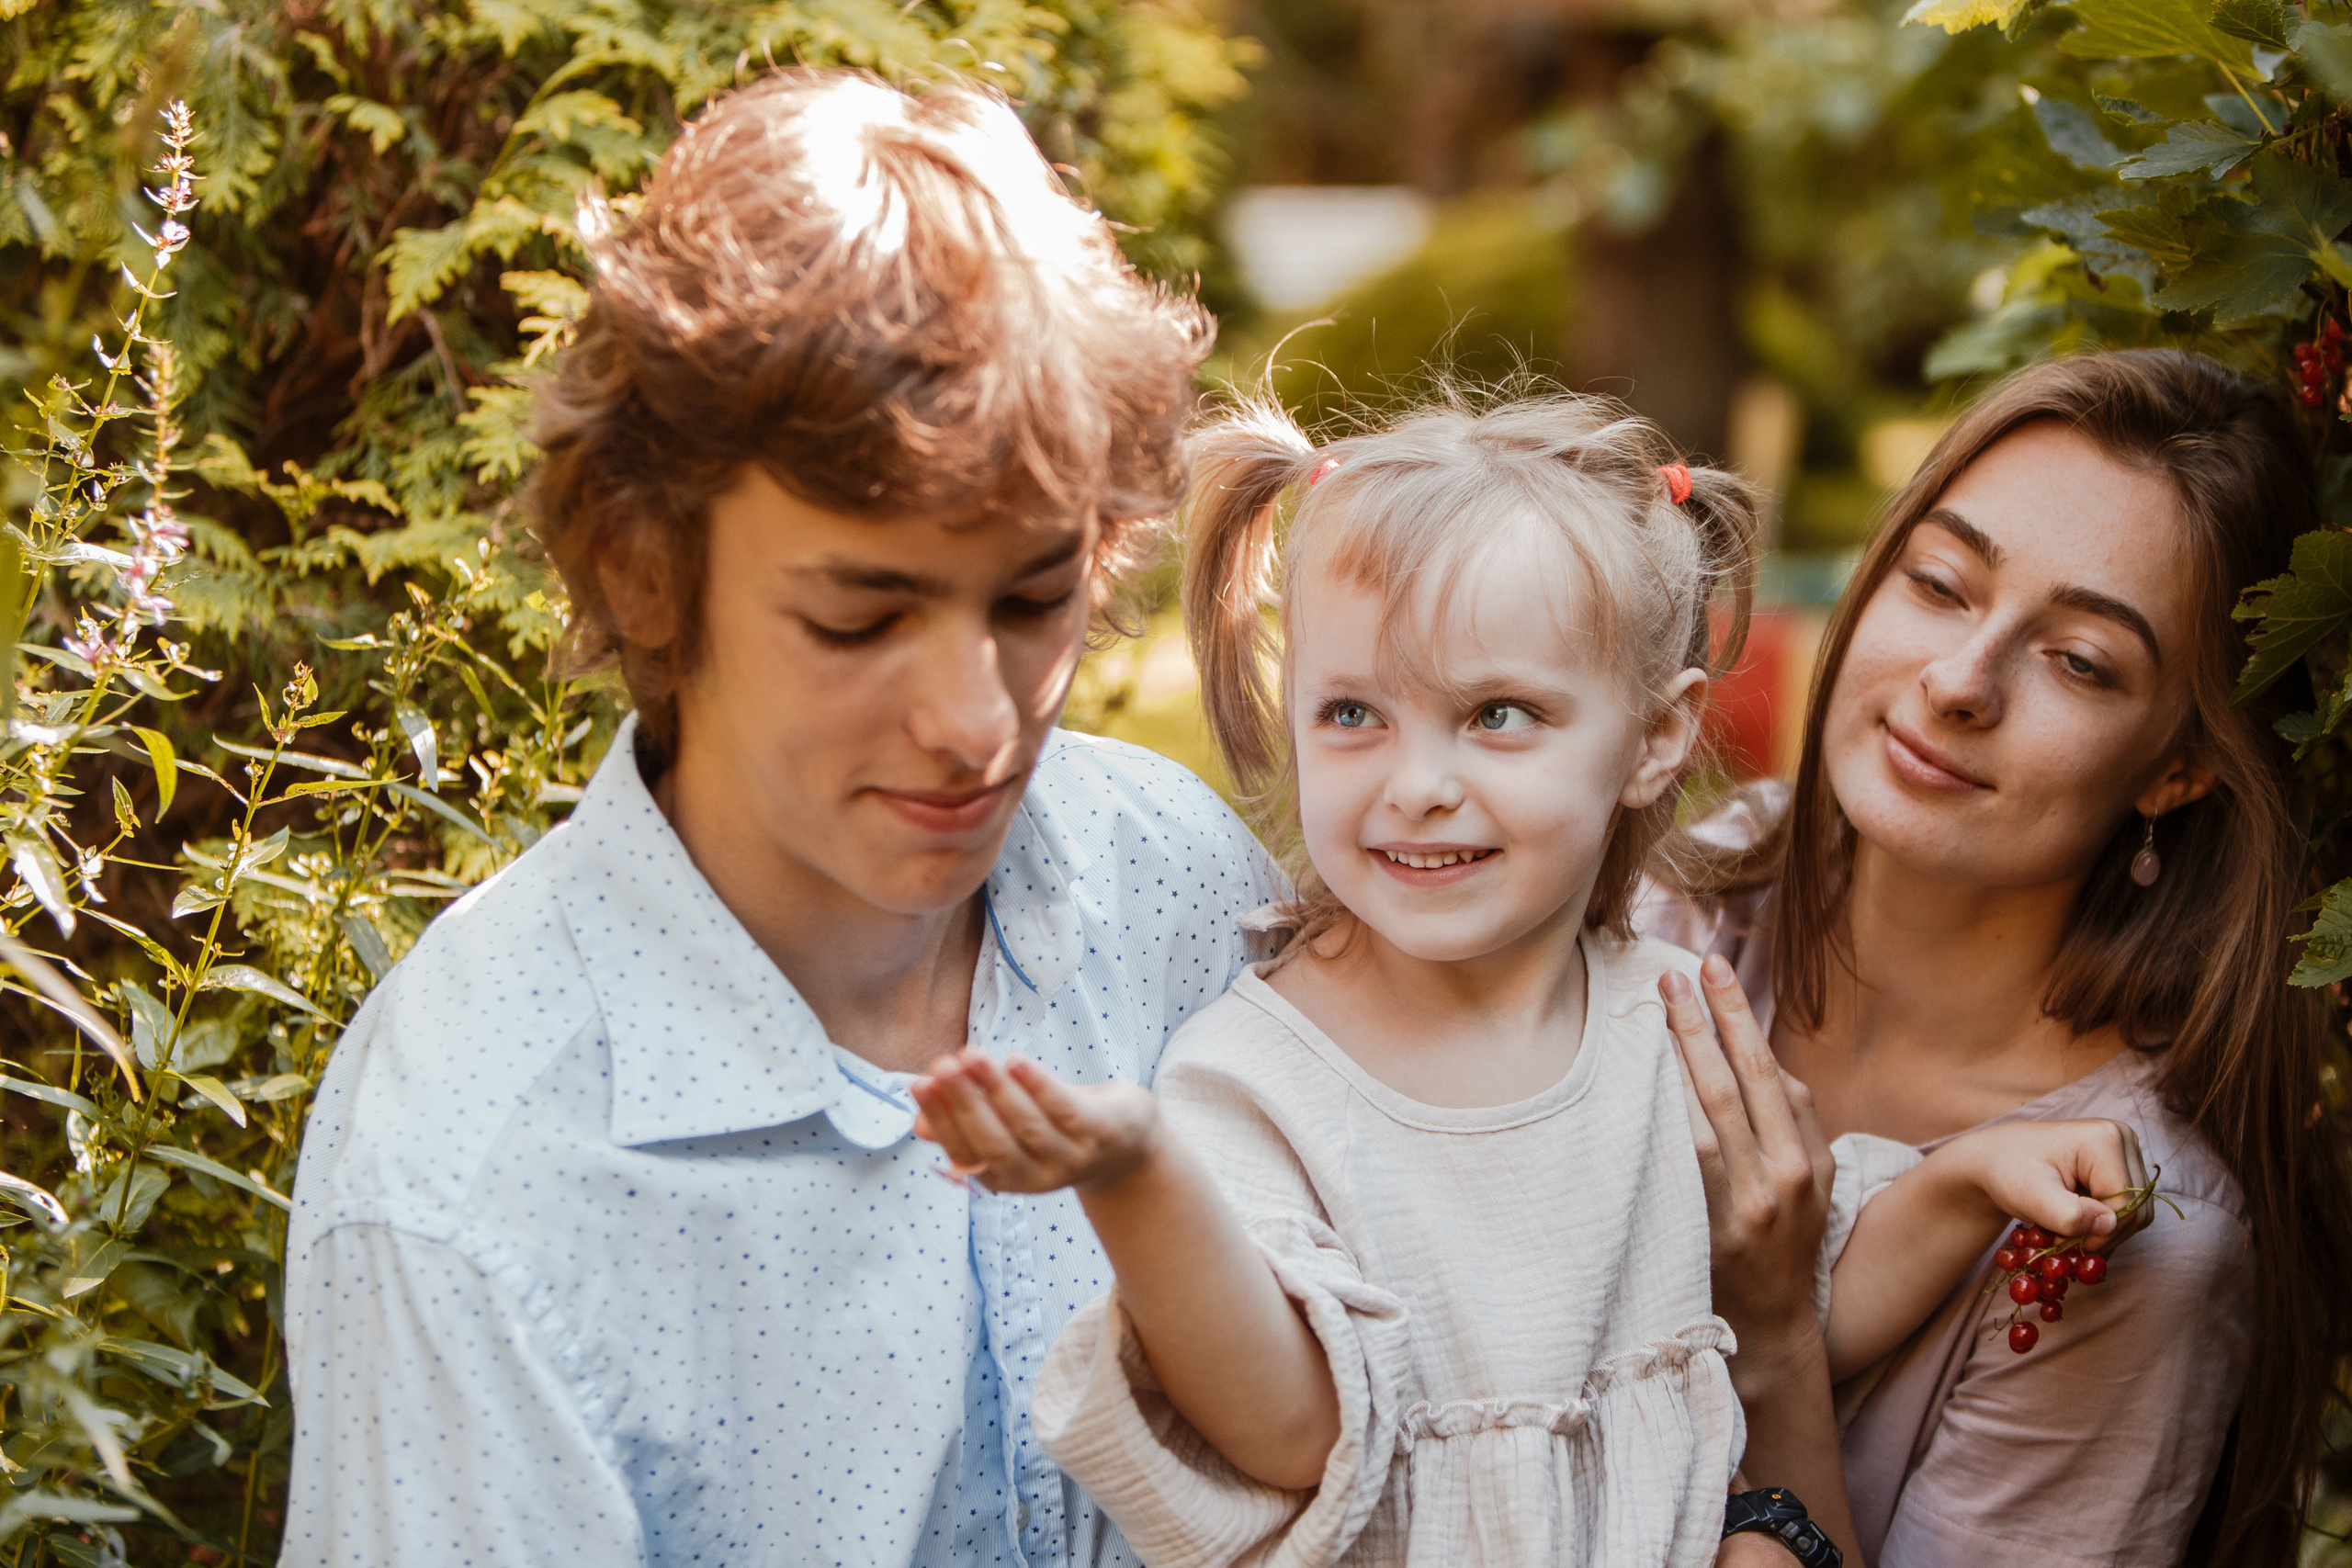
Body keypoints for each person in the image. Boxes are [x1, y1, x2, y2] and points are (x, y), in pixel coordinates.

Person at [278, 69, 1279, 1566]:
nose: (976, 720)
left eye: (1031, 599)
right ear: (640, 569)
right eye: (862, 619)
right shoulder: (475, 1161)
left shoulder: (1180, 883)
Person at [908, 392, 2148, 1567]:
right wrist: (1136, 1175)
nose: (1417, 782)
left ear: (1656, 740)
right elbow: (1287, 1427)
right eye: (1353, 714)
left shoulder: (1673, 1011)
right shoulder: (1255, 1073)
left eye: (1496, 715)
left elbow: (1811, 1294)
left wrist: (1969, 1184)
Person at [1642, 348, 2352, 1566]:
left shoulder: (2120, 1234)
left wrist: (1774, 1332)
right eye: (1941, 584)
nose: (1961, 682)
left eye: (2080, 661)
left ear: (2179, 767)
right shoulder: (1698, 889)